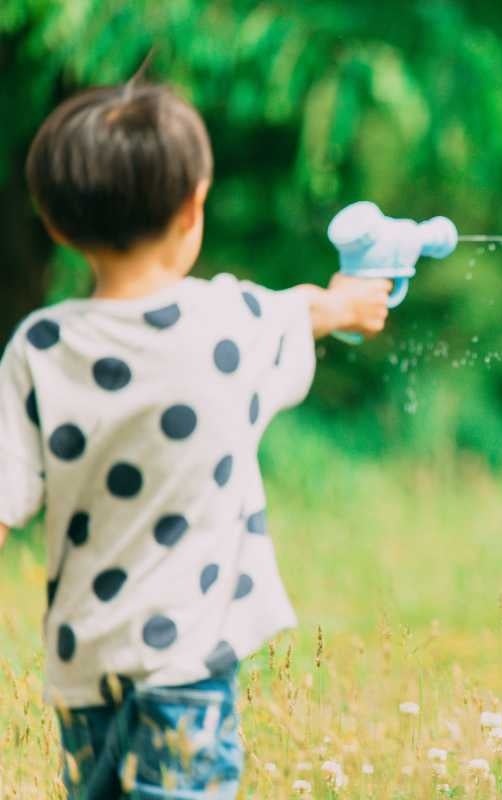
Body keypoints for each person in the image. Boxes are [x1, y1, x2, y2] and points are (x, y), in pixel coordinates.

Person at [0, 80, 392, 798]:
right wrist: (346, 304)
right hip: (187, 668)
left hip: (82, 667)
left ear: (55, 224)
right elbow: (298, 312)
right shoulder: (229, 325)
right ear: (191, 211)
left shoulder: (40, 348)